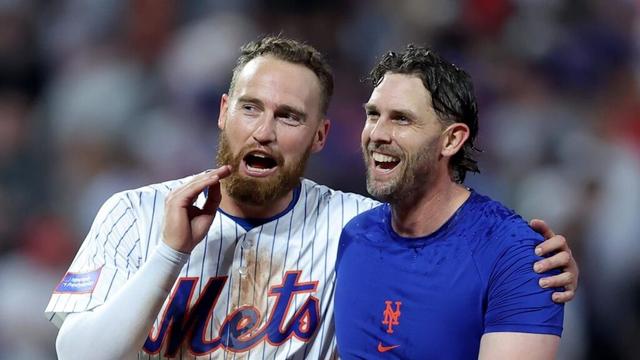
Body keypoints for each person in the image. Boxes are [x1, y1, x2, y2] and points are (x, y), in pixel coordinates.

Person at [45, 36, 577, 359]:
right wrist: (169, 254)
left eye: (289, 117)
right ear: (223, 110)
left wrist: (534, 257)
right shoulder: (133, 212)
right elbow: (77, 355)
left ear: (321, 136)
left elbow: (443, 220)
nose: (264, 132)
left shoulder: (357, 225)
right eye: (251, 109)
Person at [334, 45, 573, 359]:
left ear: (451, 140)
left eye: (401, 119)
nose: (377, 133)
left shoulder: (515, 256)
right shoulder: (351, 234)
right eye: (373, 114)